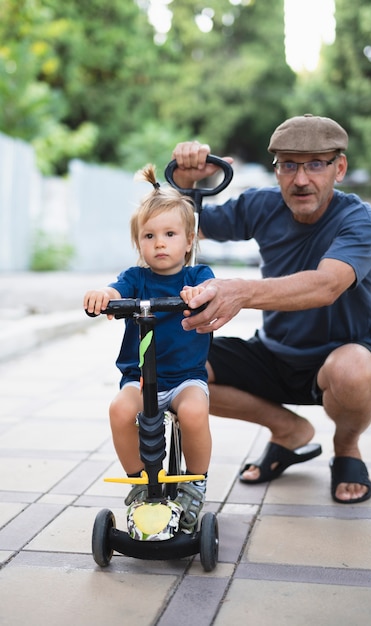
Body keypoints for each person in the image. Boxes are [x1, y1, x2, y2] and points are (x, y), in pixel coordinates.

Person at [173, 114, 371, 504]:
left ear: (339, 168)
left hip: (348, 353)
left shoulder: (358, 218)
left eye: (315, 164)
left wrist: (240, 292)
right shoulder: (262, 205)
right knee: (176, 368)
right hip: (274, 354)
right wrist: (186, 181)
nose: (301, 179)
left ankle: (346, 448)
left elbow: (326, 285)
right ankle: (289, 432)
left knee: (352, 371)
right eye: (289, 165)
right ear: (276, 171)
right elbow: (184, 227)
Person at [84, 164, 215, 531]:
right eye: (149, 235)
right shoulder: (136, 278)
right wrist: (104, 296)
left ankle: (194, 482)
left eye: (170, 234)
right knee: (119, 411)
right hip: (141, 380)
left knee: (193, 414)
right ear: (138, 242)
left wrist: (198, 296)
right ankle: (140, 481)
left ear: (188, 241)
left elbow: (211, 293)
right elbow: (115, 290)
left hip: (186, 378)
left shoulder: (197, 277)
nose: (159, 243)